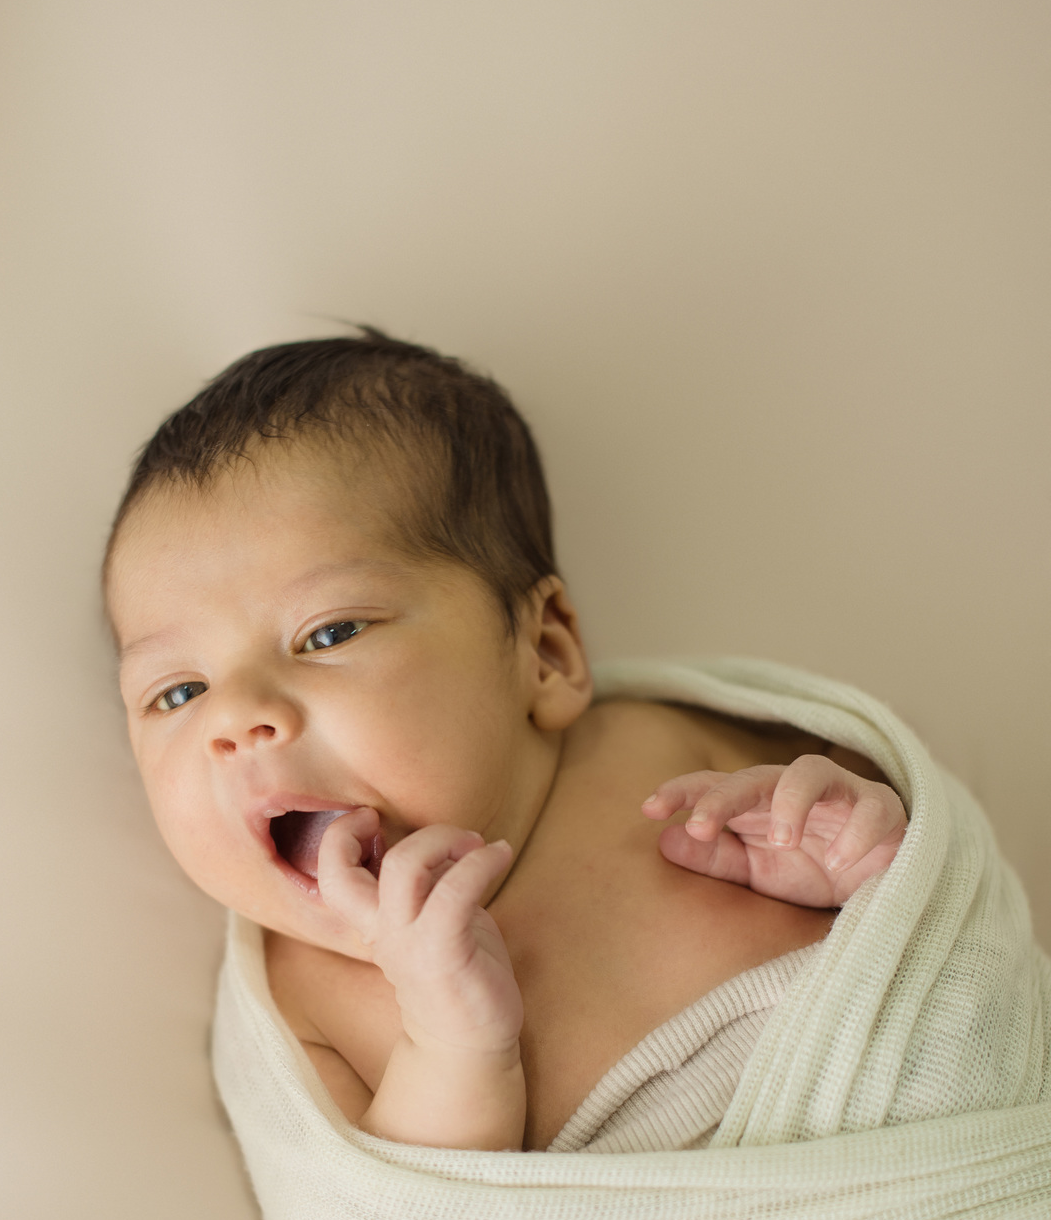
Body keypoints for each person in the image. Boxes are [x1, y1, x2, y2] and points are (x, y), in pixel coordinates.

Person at [104, 328, 907, 1154]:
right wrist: (453, 1047)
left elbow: (928, 887)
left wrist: (863, 859)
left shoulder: (668, 747)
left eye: (329, 632)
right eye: (178, 693)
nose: (238, 717)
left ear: (544, 654)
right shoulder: (301, 1000)